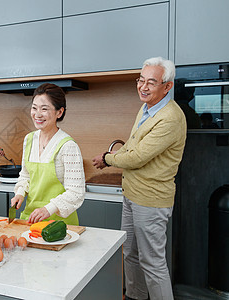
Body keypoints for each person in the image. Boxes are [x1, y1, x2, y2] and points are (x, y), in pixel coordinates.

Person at [92, 57, 186, 300]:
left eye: (151, 82)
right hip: (132, 195)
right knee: (130, 254)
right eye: (141, 80)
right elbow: (132, 145)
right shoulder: (146, 109)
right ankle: (135, 297)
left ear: (167, 86)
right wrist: (110, 157)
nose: (143, 87)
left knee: (152, 262)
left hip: (152, 201)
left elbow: (137, 157)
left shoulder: (170, 117)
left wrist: (107, 158)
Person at [10, 83, 85, 225]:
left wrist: (48, 209)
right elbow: (25, 175)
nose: (37, 114)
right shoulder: (29, 139)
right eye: (34, 108)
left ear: (59, 112)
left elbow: (76, 192)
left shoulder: (68, 146)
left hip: (59, 225)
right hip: (30, 219)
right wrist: (20, 192)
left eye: (44, 109)